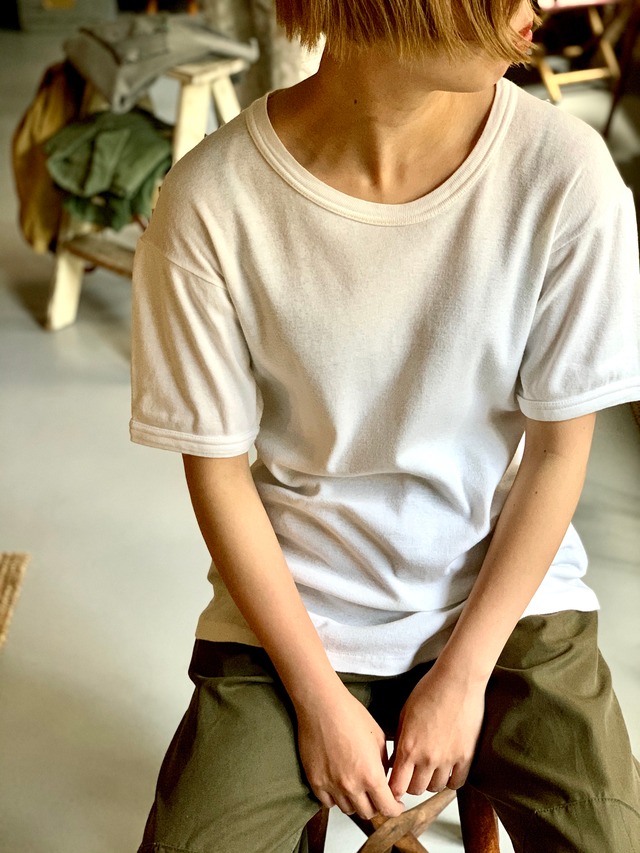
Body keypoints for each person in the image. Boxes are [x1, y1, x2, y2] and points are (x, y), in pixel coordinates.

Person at [129, 1, 640, 850]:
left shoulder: (566, 175)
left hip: (507, 597)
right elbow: (217, 471)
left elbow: (558, 454)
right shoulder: (210, 202)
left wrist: (463, 676)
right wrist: (315, 697)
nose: (540, 6)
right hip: (295, 609)